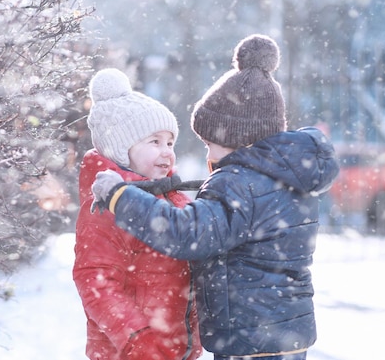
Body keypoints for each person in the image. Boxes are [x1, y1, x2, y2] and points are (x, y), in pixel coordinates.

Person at [90, 35, 340, 360]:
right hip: (284, 333)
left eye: (210, 143)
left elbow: (189, 233)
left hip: (250, 338)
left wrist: (119, 197)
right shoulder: (286, 177)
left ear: (236, 137)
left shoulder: (238, 183)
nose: (207, 151)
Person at [73, 68, 203, 360]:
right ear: (122, 150)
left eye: (170, 142)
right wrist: (136, 337)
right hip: (130, 351)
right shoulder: (107, 206)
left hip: (175, 349)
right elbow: (95, 279)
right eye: (154, 142)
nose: (166, 152)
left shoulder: (175, 199)